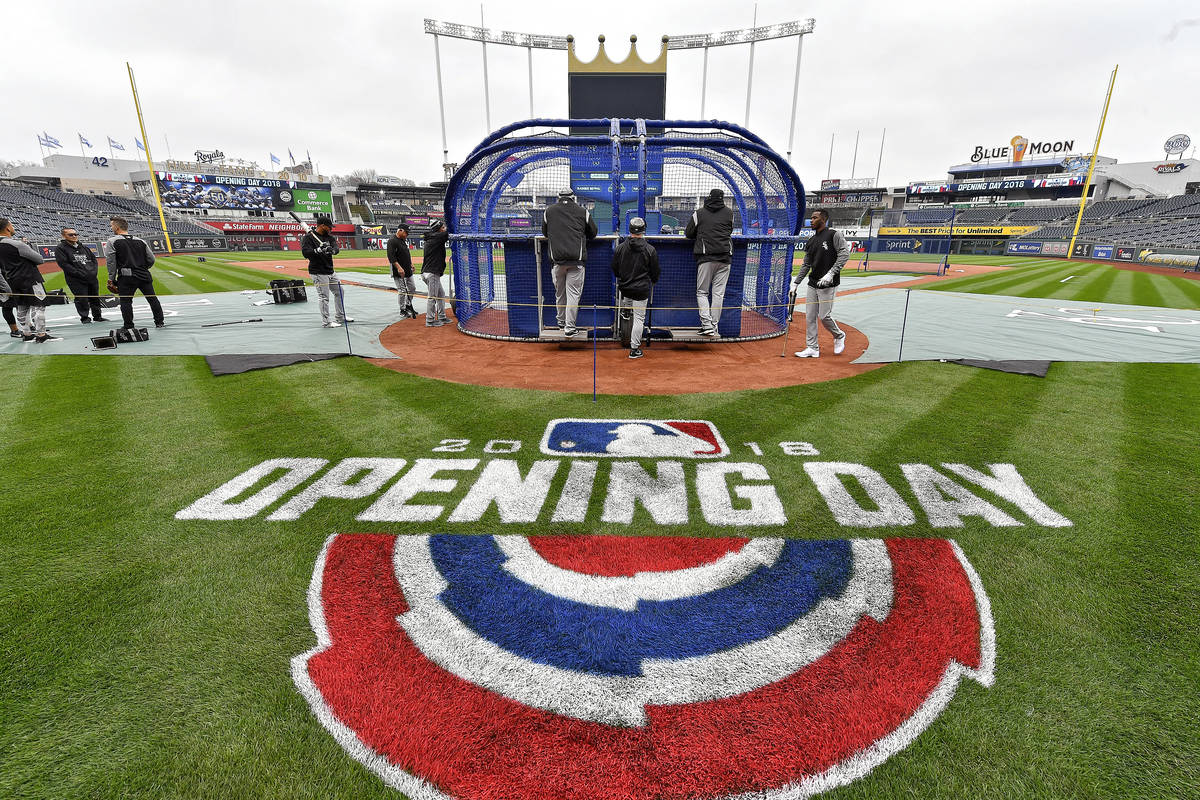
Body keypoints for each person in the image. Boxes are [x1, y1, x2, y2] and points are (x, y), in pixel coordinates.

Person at [793, 208, 849, 358]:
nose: (811, 220)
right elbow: (806, 264)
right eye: (811, 218)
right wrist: (796, 282)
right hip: (813, 283)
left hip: (828, 284)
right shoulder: (811, 241)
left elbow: (844, 254)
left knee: (824, 316)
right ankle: (812, 347)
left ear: (823, 219)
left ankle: (839, 336)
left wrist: (831, 274)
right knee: (810, 317)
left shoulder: (833, 235)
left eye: (814, 218)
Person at [542, 188, 597, 337]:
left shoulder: (549, 211)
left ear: (558, 197)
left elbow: (545, 233)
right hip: (576, 261)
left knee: (560, 294)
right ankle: (569, 327)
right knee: (573, 295)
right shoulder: (582, 211)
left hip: (557, 261)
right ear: (573, 197)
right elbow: (593, 233)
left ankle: (560, 321)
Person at [0, 218, 61, 342]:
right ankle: (41, 335)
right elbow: (39, 259)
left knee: (22, 307)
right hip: (30, 279)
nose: (13, 227)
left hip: (12, 280)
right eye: (12, 225)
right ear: (7, 228)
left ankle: (27, 334)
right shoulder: (16, 244)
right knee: (39, 306)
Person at [684, 188, 734, 338]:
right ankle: (714, 326)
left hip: (706, 258)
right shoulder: (729, 213)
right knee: (718, 294)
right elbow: (729, 230)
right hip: (725, 258)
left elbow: (688, 233)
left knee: (702, 292)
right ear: (722, 198)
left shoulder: (699, 213)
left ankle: (707, 326)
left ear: (709, 198)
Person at [611, 217, 660, 360]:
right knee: (639, 318)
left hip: (625, 287)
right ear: (643, 230)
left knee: (628, 295)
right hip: (641, 289)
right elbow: (655, 271)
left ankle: (626, 310)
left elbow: (615, 268)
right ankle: (634, 349)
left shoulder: (620, 248)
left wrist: (622, 277)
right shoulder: (650, 249)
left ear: (630, 230)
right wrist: (654, 280)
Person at [104, 216, 165, 330]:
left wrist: (111, 279)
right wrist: (143, 268)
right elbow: (151, 259)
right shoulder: (141, 241)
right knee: (152, 299)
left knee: (126, 301)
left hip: (126, 277)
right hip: (144, 275)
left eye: (112, 225)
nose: (111, 227)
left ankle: (128, 326)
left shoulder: (112, 241)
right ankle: (159, 322)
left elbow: (111, 262)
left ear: (117, 227)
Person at [302, 216, 352, 328]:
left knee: (339, 292)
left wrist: (332, 250)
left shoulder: (330, 238)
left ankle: (340, 316)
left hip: (330, 270)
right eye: (329, 227)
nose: (331, 229)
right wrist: (318, 250)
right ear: (322, 226)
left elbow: (336, 249)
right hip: (318, 272)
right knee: (324, 297)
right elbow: (306, 253)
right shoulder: (308, 238)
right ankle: (327, 322)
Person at [54, 227, 105, 324]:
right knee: (81, 299)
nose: (74, 236)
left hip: (91, 277)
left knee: (95, 297)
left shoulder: (84, 247)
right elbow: (64, 264)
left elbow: (94, 260)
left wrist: (93, 271)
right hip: (76, 279)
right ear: (64, 236)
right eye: (71, 235)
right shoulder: (60, 248)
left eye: (75, 234)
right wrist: (79, 273)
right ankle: (85, 318)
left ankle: (98, 316)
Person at [421, 220, 450, 327]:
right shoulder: (437, 237)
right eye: (443, 227)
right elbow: (448, 233)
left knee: (441, 294)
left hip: (429, 272)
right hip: (431, 272)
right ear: (438, 229)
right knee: (432, 297)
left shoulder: (433, 237)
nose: (445, 229)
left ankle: (442, 316)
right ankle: (430, 320)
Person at [387, 224, 417, 319]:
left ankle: (408, 305)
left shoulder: (403, 240)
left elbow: (406, 254)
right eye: (406, 232)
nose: (407, 234)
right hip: (398, 270)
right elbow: (391, 257)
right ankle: (402, 309)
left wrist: (411, 263)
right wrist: (399, 268)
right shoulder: (392, 241)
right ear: (400, 230)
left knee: (412, 288)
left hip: (407, 269)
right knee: (402, 290)